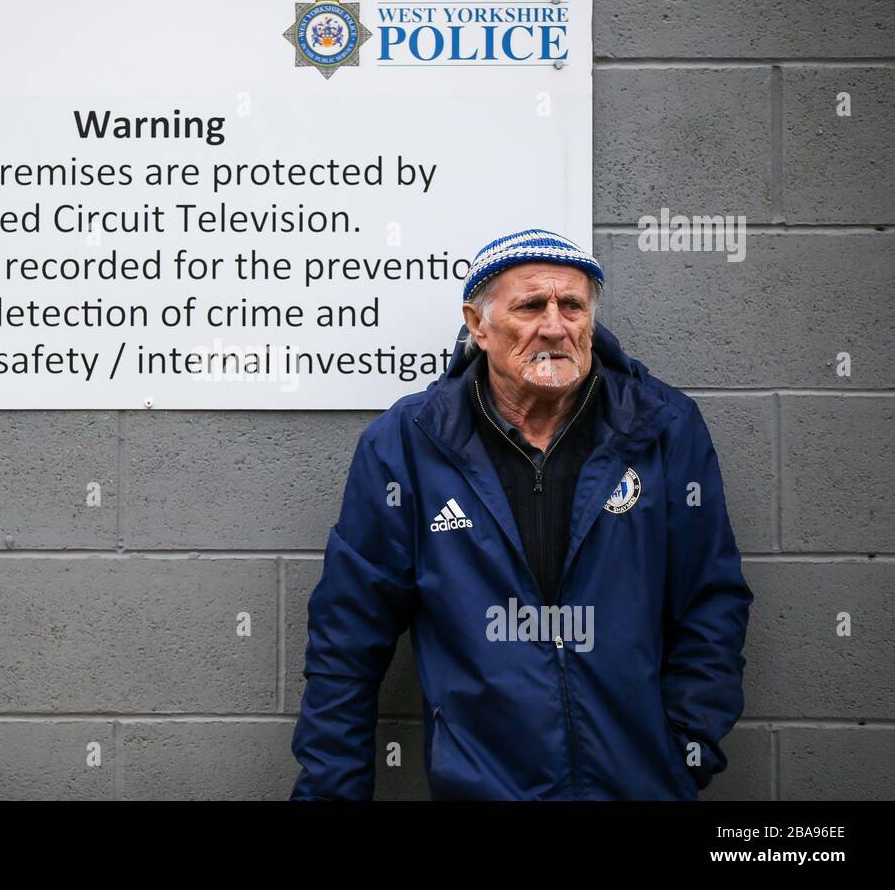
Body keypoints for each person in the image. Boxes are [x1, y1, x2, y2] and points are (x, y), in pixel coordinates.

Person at [290, 228, 753, 799]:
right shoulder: (406, 446)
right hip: (483, 788)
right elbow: (347, 638)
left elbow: (711, 599)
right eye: (531, 305)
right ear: (478, 324)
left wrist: (687, 743)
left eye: (572, 306)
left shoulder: (663, 429)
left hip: (641, 784)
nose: (555, 326)